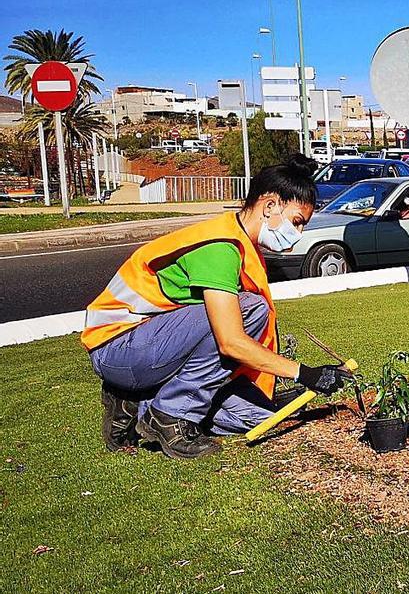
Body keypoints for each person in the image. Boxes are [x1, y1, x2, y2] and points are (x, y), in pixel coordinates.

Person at [83, 156, 354, 459]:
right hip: (118, 348)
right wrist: (304, 373)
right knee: (252, 310)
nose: (298, 234)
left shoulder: (241, 245)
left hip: (149, 350)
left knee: (257, 418)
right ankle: (169, 416)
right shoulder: (219, 247)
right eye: (296, 222)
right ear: (269, 206)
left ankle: (137, 400)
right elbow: (230, 341)